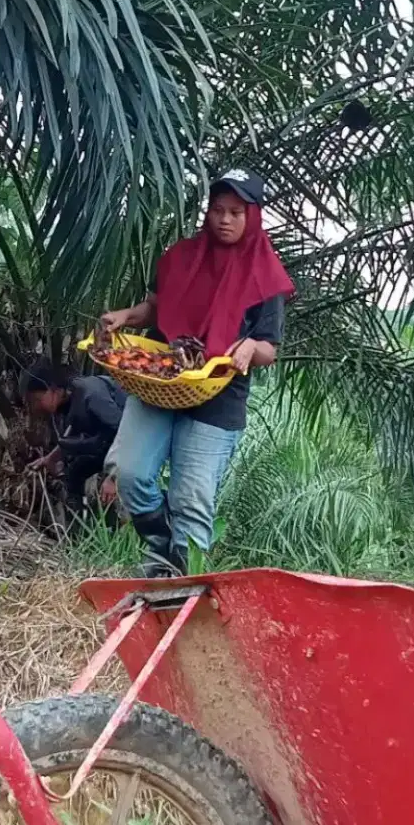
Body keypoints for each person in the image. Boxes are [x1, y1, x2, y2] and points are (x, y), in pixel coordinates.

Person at [100, 169, 295, 576]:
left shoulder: (265, 275)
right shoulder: (181, 258)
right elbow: (155, 308)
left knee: (191, 499)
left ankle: (178, 585)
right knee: (131, 475)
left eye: (235, 212)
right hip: (162, 381)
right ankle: (162, 547)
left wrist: (247, 348)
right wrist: (125, 316)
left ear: (252, 216)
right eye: (217, 210)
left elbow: (268, 349)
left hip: (219, 396)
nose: (224, 220)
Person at [25, 361, 126, 519]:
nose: (37, 407)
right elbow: (73, 433)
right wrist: (51, 459)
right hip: (108, 445)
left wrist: (114, 477)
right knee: (75, 473)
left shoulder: (91, 395)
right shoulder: (68, 401)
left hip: (134, 448)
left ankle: (123, 532)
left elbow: (125, 432)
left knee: (121, 493)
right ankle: (79, 530)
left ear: (53, 389)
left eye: (38, 400)